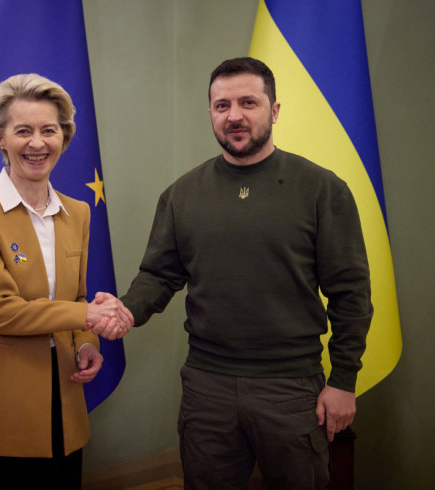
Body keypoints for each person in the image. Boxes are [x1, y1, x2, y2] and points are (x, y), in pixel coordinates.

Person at [115, 57, 373, 489]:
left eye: (248, 102)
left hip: (291, 388)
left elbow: (351, 294)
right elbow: (158, 277)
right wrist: (124, 311)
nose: (234, 115)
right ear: (211, 114)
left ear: (273, 110)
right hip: (206, 387)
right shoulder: (181, 195)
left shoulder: (322, 189)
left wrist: (344, 380)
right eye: (221, 105)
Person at [0, 73, 129, 490]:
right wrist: (90, 315)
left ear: (64, 137)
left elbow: (72, 297)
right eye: (23, 131)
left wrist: (86, 343)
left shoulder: (78, 212)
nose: (37, 143)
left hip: (61, 405)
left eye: (49, 131)